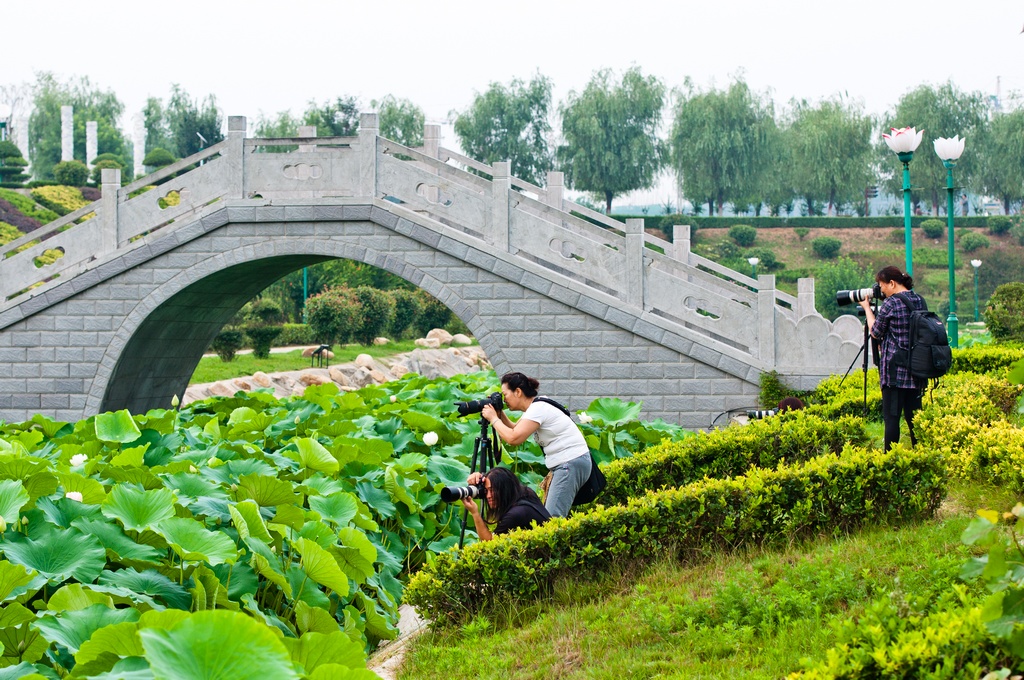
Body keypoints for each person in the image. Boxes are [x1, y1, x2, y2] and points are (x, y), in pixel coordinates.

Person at [480, 371, 591, 517]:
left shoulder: (537, 409)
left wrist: (494, 419)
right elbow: (515, 428)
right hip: (572, 462)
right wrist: (499, 413)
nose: (504, 399)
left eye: (505, 394)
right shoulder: (538, 404)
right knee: (552, 518)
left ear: (518, 392)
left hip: (569, 464)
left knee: (552, 520)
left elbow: (513, 439)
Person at [858, 266, 925, 452]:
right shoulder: (920, 300)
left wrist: (867, 309)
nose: (881, 291)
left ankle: (891, 461)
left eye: (882, 286)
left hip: (895, 373)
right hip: (916, 369)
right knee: (915, 420)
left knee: (892, 418)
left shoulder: (892, 303)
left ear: (892, 283)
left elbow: (876, 332)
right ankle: (922, 458)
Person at [461, 467, 550, 541]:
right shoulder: (526, 493)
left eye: (493, 490)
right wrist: (480, 479)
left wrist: (475, 513)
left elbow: (490, 543)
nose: (488, 496)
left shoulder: (515, 514)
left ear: (504, 489)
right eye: (486, 490)